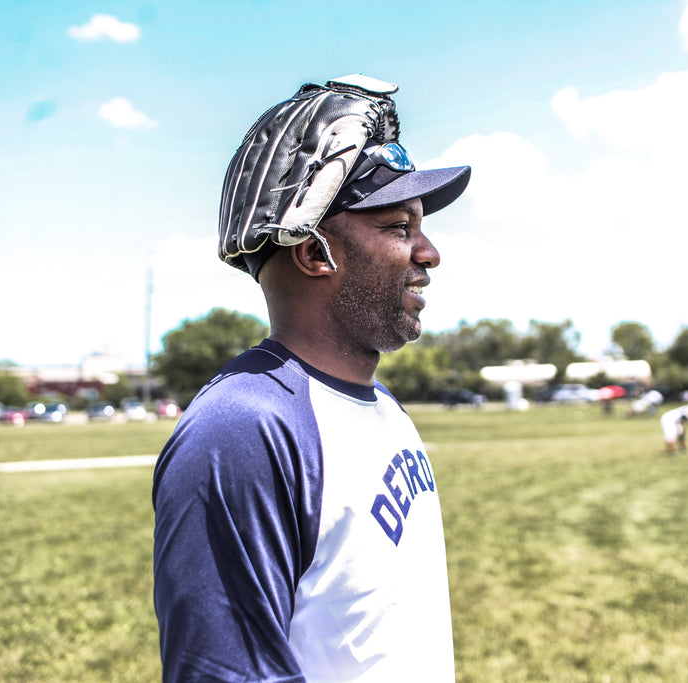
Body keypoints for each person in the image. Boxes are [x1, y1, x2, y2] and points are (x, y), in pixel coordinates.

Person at [152, 75, 471, 683]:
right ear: (315, 252)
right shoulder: (243, 428)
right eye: (399, 227)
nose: (429, 252)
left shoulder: (382, 406)